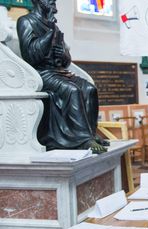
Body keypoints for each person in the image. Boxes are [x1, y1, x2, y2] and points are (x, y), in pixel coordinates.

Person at [17, 0, 106, 153]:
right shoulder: (26, 21)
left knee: (90, 89)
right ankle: (83, 139)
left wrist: (62, 55)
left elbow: (66, 60)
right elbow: (30, 55)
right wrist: (50, 32)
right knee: (72, 90)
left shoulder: (53, 25)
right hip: (39, 73)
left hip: (58, 71)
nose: (53, 2)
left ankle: (90, 133)